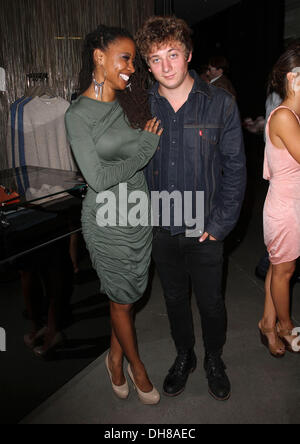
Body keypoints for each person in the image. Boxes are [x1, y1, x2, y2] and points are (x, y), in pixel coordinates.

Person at [136, 16, 246, 401]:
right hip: (161, 227)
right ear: (147, 64)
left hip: (205, 229)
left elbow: (235, 171)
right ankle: (185, 355)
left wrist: (219, 225)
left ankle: (214, 357)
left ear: (189, 55)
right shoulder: (141, 105)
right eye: (155, 58)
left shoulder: (221, 105)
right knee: (173, 299)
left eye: (173, 54)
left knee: (211, 302)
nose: (165, 66)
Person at [65, 25, 163, 404]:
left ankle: (115, 356)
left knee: (125, 298)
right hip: (106, 220)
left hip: (138, 213)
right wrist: (144, 151)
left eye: (134, 62)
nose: (131, 68)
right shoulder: (78, 115)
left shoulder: (129, 102)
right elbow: (98, 178)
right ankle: (136, 367)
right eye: (126, 58)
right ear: (99, 57)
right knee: (123, 299)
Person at [259, 46, 300, 357]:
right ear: (294, 78)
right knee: (284, 271)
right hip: (286, 210)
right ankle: (285, 327)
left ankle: (267, 323)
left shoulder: (293, 115)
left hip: (289, 205)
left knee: (278, 269)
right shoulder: (285, 116)